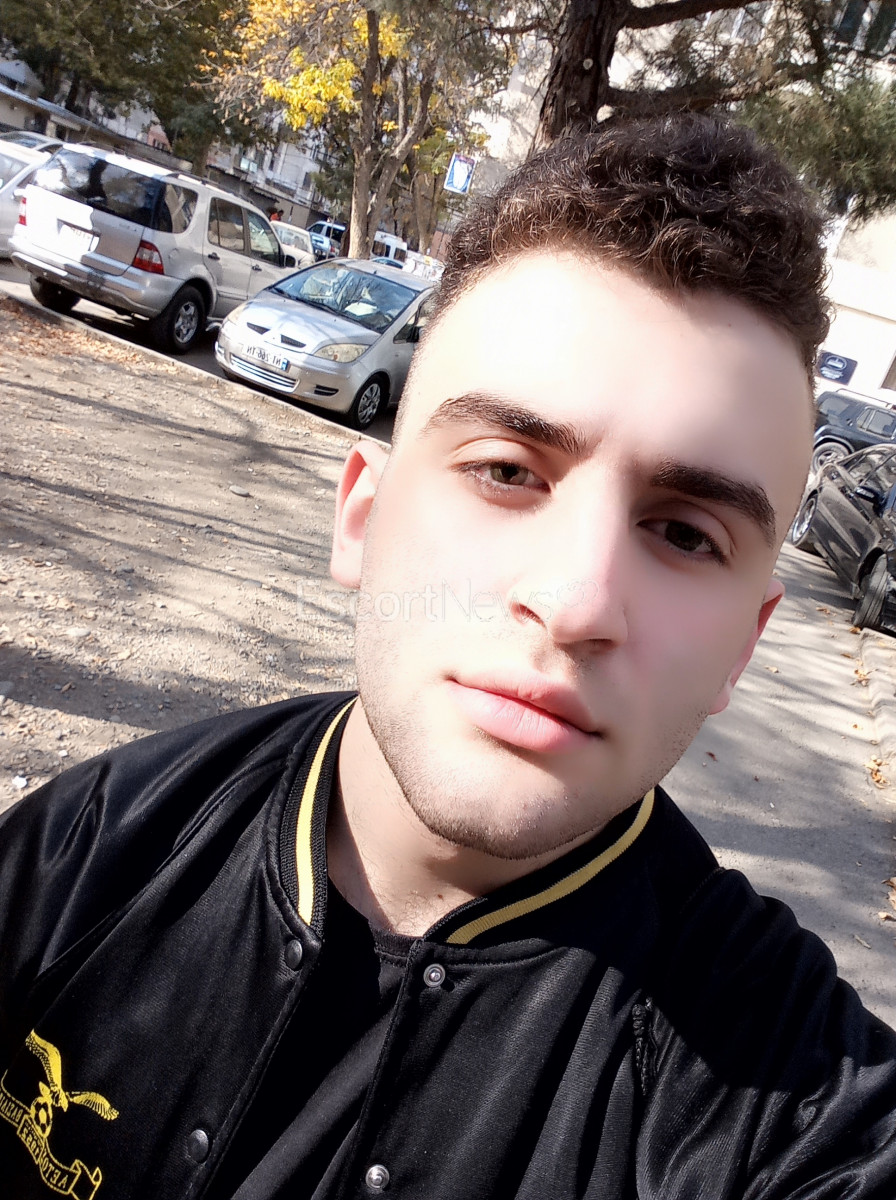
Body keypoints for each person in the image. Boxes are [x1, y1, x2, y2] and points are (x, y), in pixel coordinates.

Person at [1, 114, 895, 1200]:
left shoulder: (792, 1101)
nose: (574, 605)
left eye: (683, 533)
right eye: (507, 471)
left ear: (741, 649)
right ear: (361, 517)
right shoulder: (95, 846)